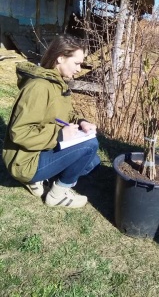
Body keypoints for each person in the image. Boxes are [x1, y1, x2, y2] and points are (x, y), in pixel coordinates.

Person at [2, 35, 100, 208]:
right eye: (77, 63)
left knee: (92, 162)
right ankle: (57, 194)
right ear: (60, 57)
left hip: (39, 149)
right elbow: (20, 132)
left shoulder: (56, 83)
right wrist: (59, 135)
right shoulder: (39, 87)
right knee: (89, 145)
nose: (79, 69)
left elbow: (64, 115)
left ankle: (39, 179)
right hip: (25, 161)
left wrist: (82, 122)